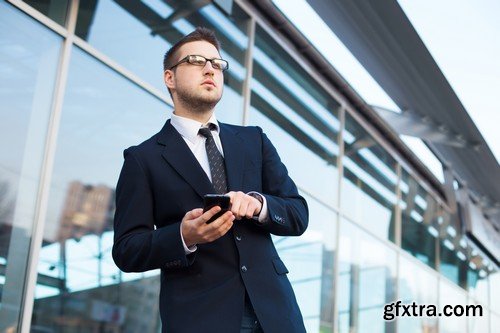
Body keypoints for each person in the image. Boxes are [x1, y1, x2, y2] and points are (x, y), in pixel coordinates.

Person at [112, 27, 308, 333]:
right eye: (195, 60)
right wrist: (184, 235)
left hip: (276, 315)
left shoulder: (253, 140)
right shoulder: (143, 158)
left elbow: (298, 214)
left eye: (217, 64)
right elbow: (126, 249)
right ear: (170, 78)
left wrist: (258, 205)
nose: (210, 69)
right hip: (199, 317)